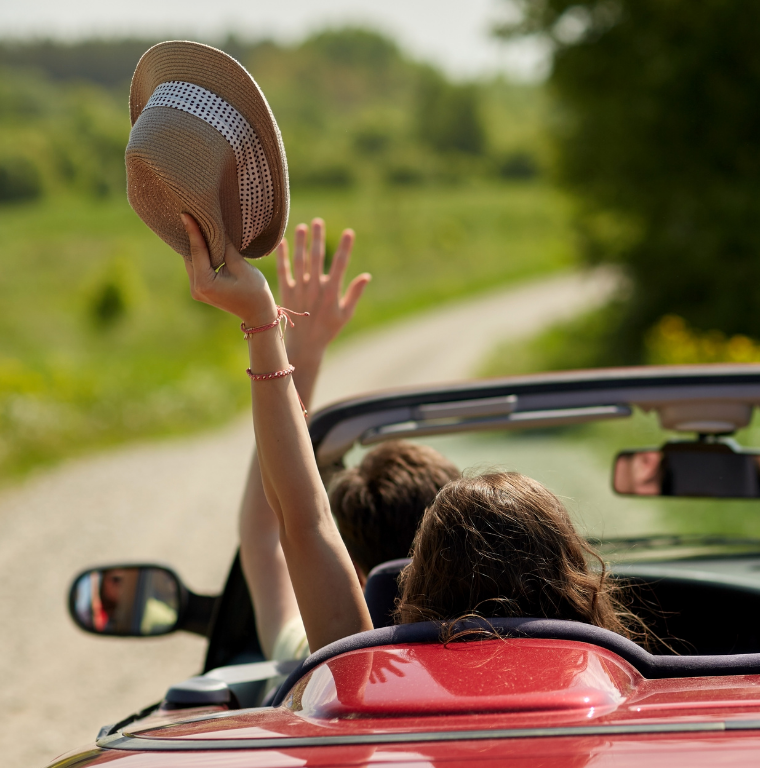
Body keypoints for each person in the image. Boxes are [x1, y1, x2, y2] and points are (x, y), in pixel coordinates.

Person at [182, 213, 640, 655]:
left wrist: (269, 327)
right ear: (574, 577)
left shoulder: (361, 671)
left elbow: (301, 522)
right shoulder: (630, 689)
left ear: (414, 574)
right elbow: (300, 523)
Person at [234, 218, 463, 662]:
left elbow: (267, 534)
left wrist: (298, 354)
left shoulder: (329, 655)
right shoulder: (560, 639)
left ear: (355, 569)